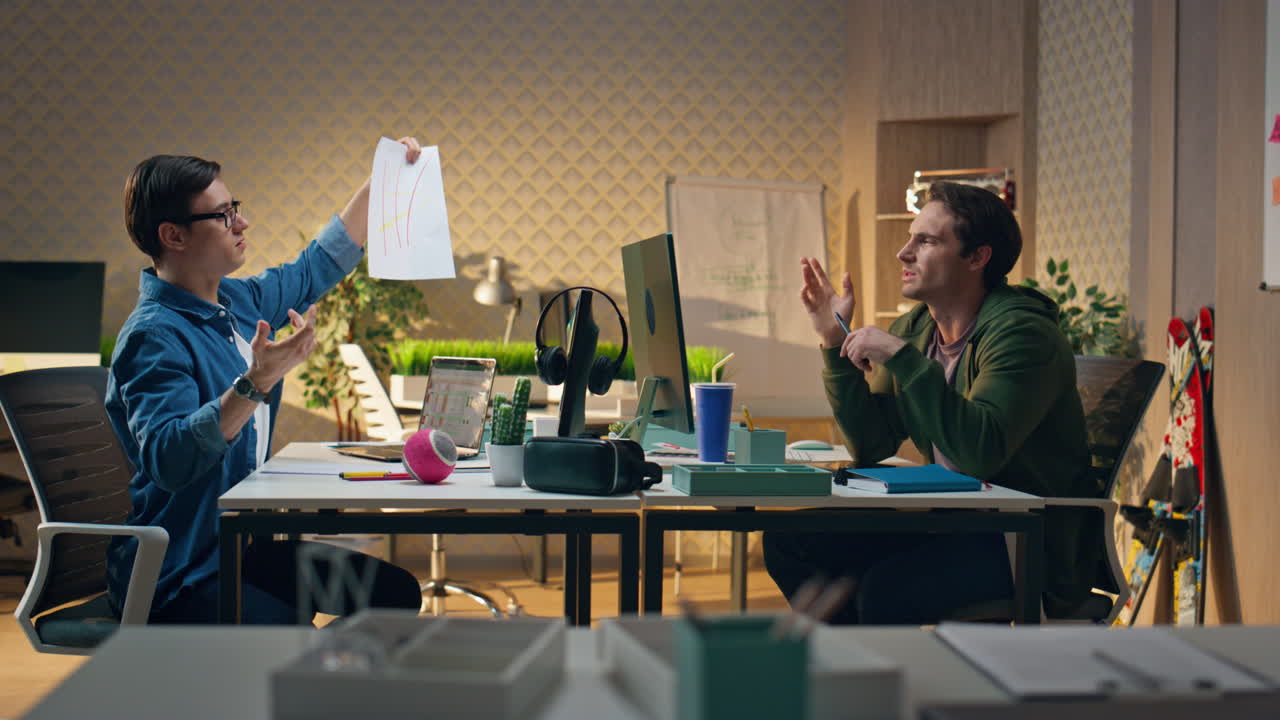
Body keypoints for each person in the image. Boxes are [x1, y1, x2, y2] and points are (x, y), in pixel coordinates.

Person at [105, 139, 425, 624]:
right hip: (178, 573)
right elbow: (170, 460)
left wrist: (385, 177)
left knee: (393, 594)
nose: (241, 223)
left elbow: (318, 263)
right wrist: (256, 383)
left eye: (235, 208)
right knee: (287, 628)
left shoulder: (237, 302)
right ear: (173, 235)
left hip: (242, 551)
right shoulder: (153, 336)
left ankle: (317, 690)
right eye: (222, 215)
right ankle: (291, 691)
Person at [763, 181, 1099, 624]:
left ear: (978, 257)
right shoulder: (917, 328)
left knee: (886, 587)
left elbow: (979, 452)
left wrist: (903, 361)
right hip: (956, 519)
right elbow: (871, 442)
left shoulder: (1023, 335)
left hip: (1023, 538)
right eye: (910, 237)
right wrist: (832, 337)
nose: (904, 253)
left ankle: (879, 680)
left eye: (926, 241)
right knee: (790, 538)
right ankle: (850, 673)